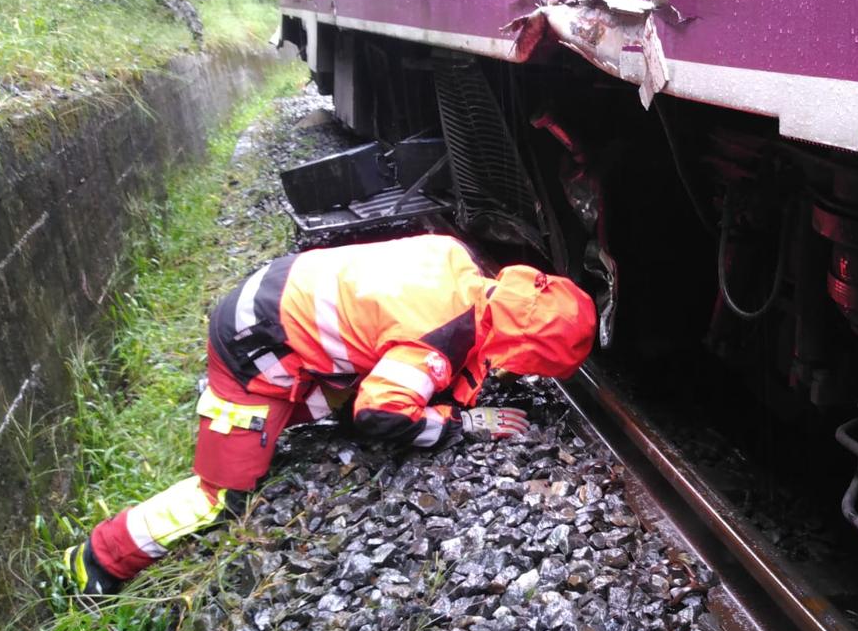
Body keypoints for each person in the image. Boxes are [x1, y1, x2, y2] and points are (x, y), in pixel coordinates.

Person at [63, 234, 596, 595]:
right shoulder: (431, 343)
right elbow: (381, 416)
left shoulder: (456, 258)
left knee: (354, 402)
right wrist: (463, 425)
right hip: (253, 347)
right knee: (223, 493)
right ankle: (99, 560)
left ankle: (280, 416)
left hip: (275, 304)